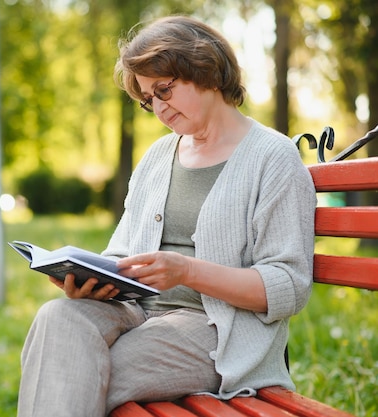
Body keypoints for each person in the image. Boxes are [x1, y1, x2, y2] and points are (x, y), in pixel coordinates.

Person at [17, 15, 316, 417]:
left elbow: (288, 286)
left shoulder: (273, 157)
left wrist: (187, 271)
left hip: (214, 330)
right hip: (136, 311)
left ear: (205, 70)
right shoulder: (159, 156)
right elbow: (123, 248)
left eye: (164, 90)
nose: (158, 108)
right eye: (148, 99)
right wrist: (91, 277)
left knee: (70, 369)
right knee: (59, 317)